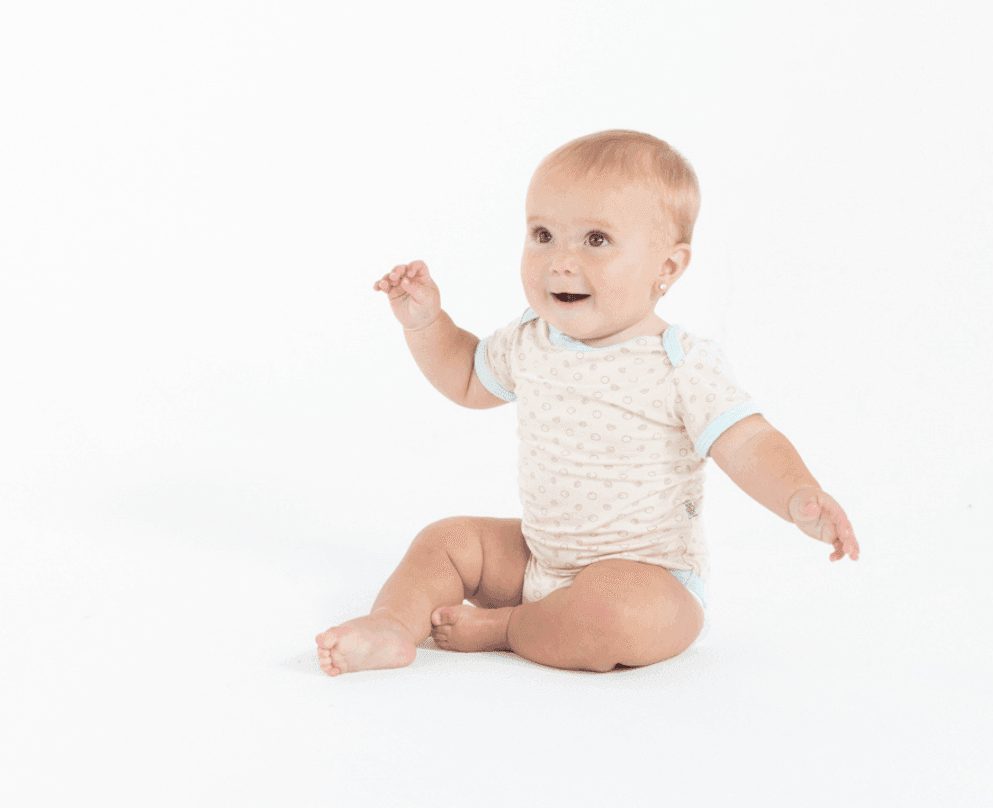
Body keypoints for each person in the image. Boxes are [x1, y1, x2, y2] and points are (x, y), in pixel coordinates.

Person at [316, 130, 860, 675]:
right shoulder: (531, 339)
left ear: (667, 268)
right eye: (543, 235)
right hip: (540, 559)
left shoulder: (680, 364)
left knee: (612, 612)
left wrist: (797, 494)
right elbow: (465, 379)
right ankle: (391, 624)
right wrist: (427, 324)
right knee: (447, 539)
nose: (560, 260)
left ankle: (508, 628)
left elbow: (748, 441)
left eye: (595, 240)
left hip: (650, 581)